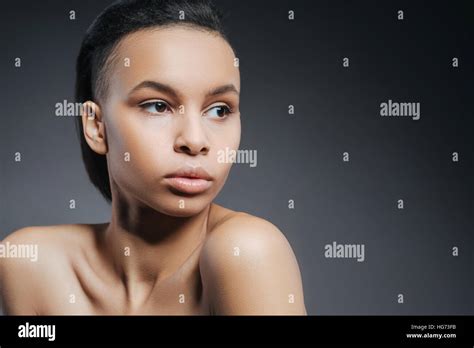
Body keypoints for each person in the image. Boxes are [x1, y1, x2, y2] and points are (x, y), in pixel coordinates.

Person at [0, 0, 306, 315]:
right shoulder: (30, 262)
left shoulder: (247, 251)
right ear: (96, 126)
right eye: (158, 106)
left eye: (220, 109)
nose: (195, 141)